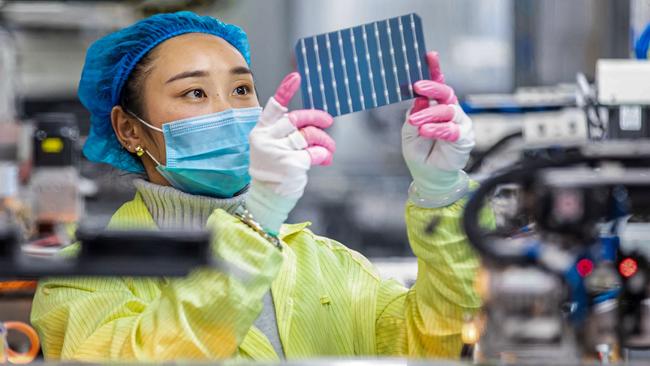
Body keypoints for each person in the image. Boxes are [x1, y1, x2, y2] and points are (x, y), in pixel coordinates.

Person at [30, 11, 492, 361]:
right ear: (130, 130)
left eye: (241, 90)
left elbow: (438, 343)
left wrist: (441, 191)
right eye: (194, 93)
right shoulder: (82, 279)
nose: (228, 112)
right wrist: (256, 223)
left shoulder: (325, 264)